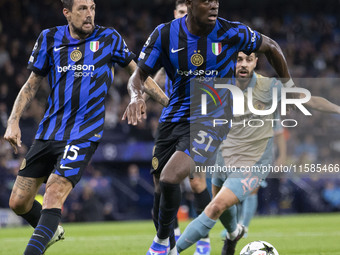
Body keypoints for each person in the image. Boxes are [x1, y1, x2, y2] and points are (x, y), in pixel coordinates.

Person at [123, 0, 296, 254]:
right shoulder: (164, 33)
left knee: (173, 178)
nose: (214, 5)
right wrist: (137, 97)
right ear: (190, 4)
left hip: (212, 119)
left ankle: (161, 244)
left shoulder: (231, 32)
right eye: (206, 1)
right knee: (161, 188)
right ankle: (227, 231)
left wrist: (289, 87)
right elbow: (138, 75)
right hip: (173, 118)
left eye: (216, 0)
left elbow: (271, 46)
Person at [3, 1, 165, 254]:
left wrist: (168, 103)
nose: (89, 14)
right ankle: (51, 230)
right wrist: (13, 121)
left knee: (54, 190)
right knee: (18, 202)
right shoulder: (49, 38)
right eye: (81, 9)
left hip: (84, 133)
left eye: (92, 7)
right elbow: (31, 84)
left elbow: (138, 75)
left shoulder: (109, 38)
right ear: (66, 12)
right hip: (49, 132)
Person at [179, 51, 340, 255]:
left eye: (248, 59)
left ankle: (172, 251)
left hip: (254, 162)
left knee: (215, 206)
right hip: (223, 157)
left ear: (255, 62)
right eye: (239, 59)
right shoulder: (219, 85)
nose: (243, 64)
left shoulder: (270, 87)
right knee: (221, 209)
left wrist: (338, 109)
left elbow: (309, 100)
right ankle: (233, 233)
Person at [147, 1, 212, 254]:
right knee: (160, 183)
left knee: (196, 182)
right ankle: (170, 240)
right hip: (171, 121)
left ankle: (203, 240)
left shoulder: (207, 43)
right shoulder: (169, 47)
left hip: (198, 122)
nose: (188, 17)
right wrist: (154, 99)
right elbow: (152, 79)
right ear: (176, 15)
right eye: (183, 13)